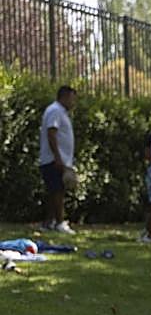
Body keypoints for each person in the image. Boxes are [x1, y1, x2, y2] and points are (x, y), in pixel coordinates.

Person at [38, 85, 78, 234]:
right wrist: (58, 157)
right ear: (65, 97)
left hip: (59, 159)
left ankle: (49, 222)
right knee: (57, 191)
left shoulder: (60, 112)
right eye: (72, 99)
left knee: (55, 191)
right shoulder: (55, 111)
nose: (74, 103)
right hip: (53, 159)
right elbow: (51, 133)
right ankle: (60, 222)